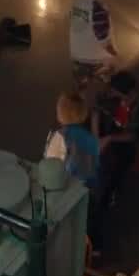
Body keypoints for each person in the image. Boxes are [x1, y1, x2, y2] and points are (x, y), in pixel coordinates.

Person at [44, 92, 105, 252]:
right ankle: (93, 251)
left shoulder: (60, 136)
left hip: (70, 191)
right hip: (92, 189)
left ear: (61, 113)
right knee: (90, 222)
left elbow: (50, 167)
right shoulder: (89, 138)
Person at [95, 71, 139, 207]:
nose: (111, 93)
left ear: (129, 94)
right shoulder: (114, 95)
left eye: (115, 92)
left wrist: (109, 138)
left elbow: (133, 136)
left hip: (131, 140)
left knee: (120, 160)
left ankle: (109, 194)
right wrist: (96, 136)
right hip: (117, 129)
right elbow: (97, 108)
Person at [69, 0, 118, 90]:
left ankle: (82, 85)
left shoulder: (77, 2)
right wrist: (115, 55)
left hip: (75, 55)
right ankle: (100, 77)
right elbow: (104, 41)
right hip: (92, 59)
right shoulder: (99, 9)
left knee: (81, 88)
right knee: (113, 66)